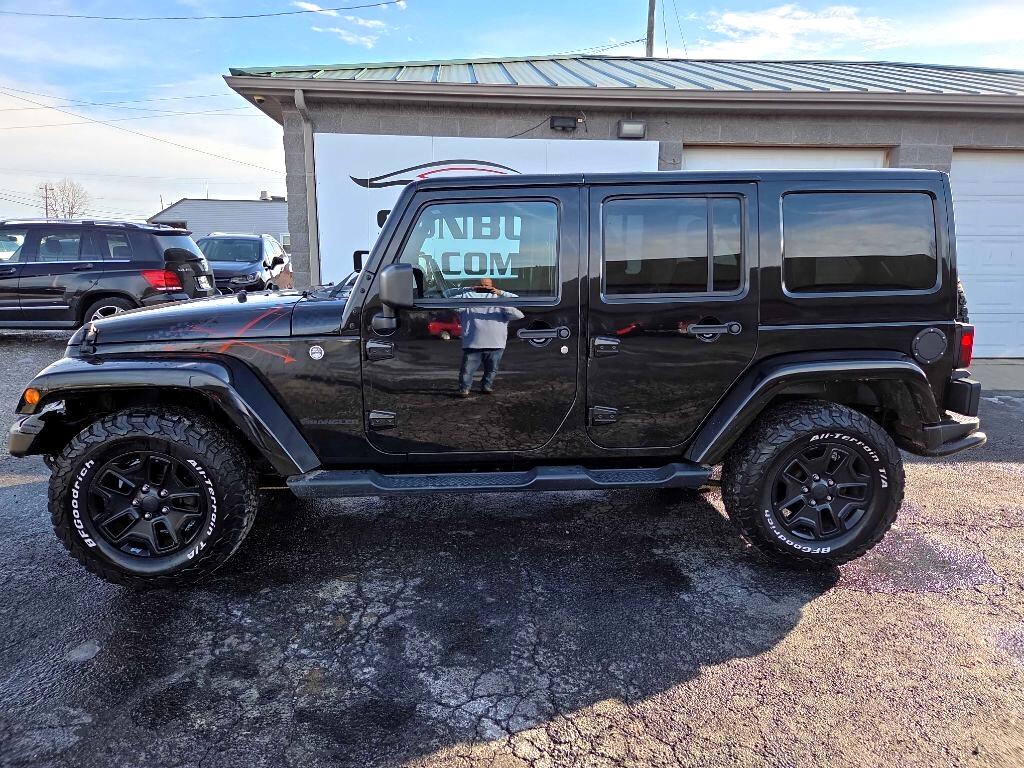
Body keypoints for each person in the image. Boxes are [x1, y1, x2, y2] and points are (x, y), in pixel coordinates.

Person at [447, 278, 524, 397]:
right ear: (476, 286)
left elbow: (519, 309)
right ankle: (464, 389)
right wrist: (469, 289)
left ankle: (486, 386)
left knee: (491, 370)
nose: (484, 288)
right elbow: (447, 298)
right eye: (481, 285)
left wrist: (500, 294)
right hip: (473, 343)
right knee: (467, 370)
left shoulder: (500, 299)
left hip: (496, 344)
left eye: (487, 286)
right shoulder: (467, 297)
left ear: (493, 286)